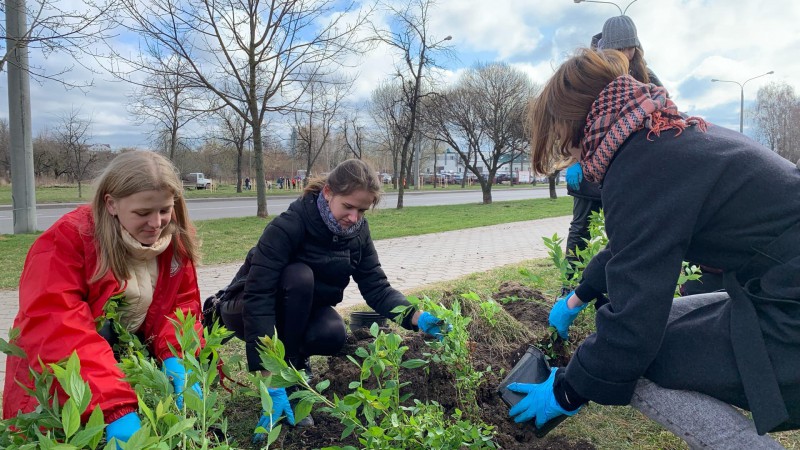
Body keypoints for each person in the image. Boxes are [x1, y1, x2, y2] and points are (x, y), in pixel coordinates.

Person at [511, 48, 800, 448]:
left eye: (562, 140)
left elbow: (632, 332)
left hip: (790, 302)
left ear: (574, 124)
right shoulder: (661, 136)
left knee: (640, 363)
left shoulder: (641, 163)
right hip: (779, 282)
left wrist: (568, 390)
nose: (569, 153)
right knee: (661, 329)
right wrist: (579, 296)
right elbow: (636, 244)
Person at [203, 158, 448, 443]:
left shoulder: (356, 234)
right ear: (329, 192)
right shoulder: (289, 226)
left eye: (362, 210)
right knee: (300, 276)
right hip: (245, 306)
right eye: (348, 206)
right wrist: (271, 378)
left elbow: (376, 286)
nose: (354, 217)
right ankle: (289, 378)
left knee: (333, 333)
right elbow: (259, 297)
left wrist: (417, 317)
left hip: (295, 311)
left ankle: (295, 364)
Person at [2, 150, 204, 447]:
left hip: (124, 368)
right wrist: (114, 407)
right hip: (63, 382)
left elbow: (179, 304)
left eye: (164, 209)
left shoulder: (173, 241)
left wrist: (176, 354)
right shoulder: (68, 240)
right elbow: (58, 327)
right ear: (111, 203)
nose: (156, 223)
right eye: (142, 213)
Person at [563, 14, 663, 277]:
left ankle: (608, 285)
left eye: (627, 49)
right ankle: (569, 284)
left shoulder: (644, 75)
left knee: (621, 229)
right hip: (590, 163)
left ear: (635, 48)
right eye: (616, 49)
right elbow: (574, 117)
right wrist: (575, 161)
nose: (622, 54)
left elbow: (663, 108)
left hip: (626, 165)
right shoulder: (587, 72)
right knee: (581, 227)